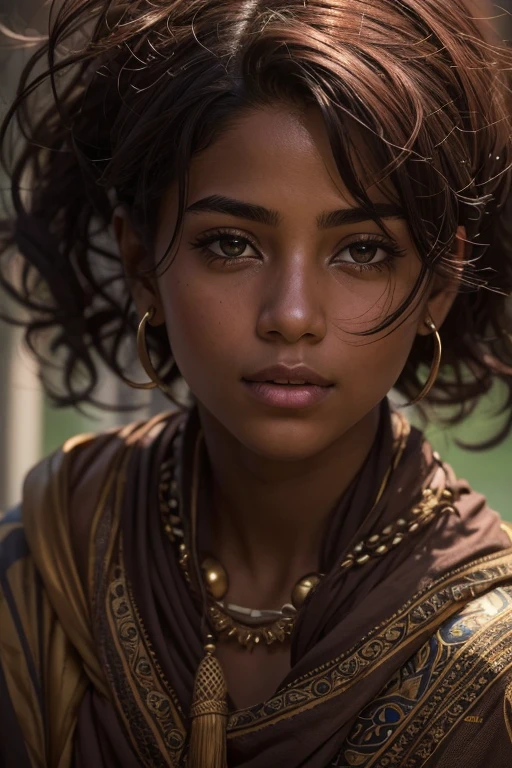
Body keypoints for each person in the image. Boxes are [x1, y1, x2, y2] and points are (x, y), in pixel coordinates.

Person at [1, 0, 512, 765]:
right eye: (232, 244)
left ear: (438, 282)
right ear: (142, 262)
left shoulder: (493, 661)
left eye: (363, 250)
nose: (292, 316)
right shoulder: (44, 567)